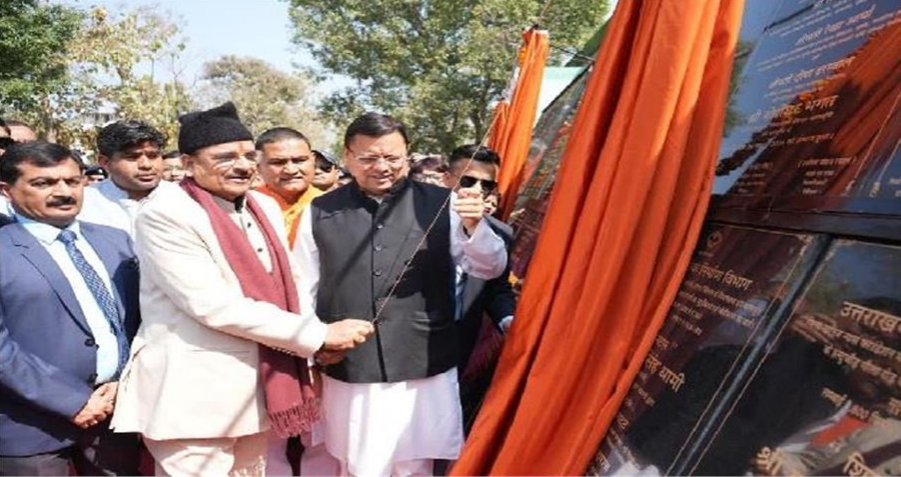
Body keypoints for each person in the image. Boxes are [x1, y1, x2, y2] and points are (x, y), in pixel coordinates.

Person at [110, 102, 374, 476]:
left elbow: (291, 284)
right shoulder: (165, 213)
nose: (242, 165)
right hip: (194, 397)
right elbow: (213, 305)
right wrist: (317, 335)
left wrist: (314, 347)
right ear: (188, 164)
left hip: (256, 393)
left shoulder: (261, 205)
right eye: (225, 157)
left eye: (249, 155)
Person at [294, 112, 507, 476]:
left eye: (392, 157)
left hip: (422, 360)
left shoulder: (444, 203)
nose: (382, 167)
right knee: (356, 461)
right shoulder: (321, 210)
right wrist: (314, 343)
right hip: (351, 361)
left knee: (415, 463)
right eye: (369, 158)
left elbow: (489, 267)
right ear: (348, 156)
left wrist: (476, 227)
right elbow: (302, 284)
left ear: (408, 154)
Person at [0, 141, 141, 475]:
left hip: (114, 417)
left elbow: (140, 321)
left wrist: (125, 380)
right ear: (7, 190)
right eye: (44, 183)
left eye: (72, 181)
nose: (64, 192)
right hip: (29, 429)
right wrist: (73, 401)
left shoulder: (115, 240)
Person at [79, 120, 175, 236]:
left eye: (153, 156)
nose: (146, 165)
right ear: (105, 162)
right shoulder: (83, 203)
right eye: (132, 157)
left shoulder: (183, 198)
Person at [255, 127, 323, 248]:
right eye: (278, 162)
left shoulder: (331, 207)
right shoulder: (247, 207)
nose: (291, 170)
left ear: (313, 160)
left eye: (299, 160)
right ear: (258, 166)